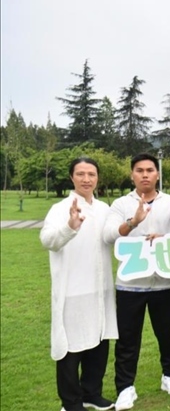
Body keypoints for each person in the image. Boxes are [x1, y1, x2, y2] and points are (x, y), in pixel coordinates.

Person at [102, 153, 170, 410]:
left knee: (168, 334)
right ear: (132, 175)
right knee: (127, 338)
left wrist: (165, 238)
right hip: (130, 284)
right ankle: (125, 388)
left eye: (150, 170)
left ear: (157, 174)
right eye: (139, 170)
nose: (145, 174)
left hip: (164, 283)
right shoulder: (120, 204)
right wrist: (133, 222)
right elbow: (109, 235)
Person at [40, 157, 118, 411]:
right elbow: (48, 240)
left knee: (99, 342)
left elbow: (114, 237)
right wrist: (70, 226)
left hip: (101, 289)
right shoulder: (60, 208)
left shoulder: (104, 209)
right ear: (71, 177)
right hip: (73, 291)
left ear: (98, 178)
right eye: (81, 174)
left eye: (91, 174)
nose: (86, 179)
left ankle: (91, 393)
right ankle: (71, 402)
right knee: (71, 348)